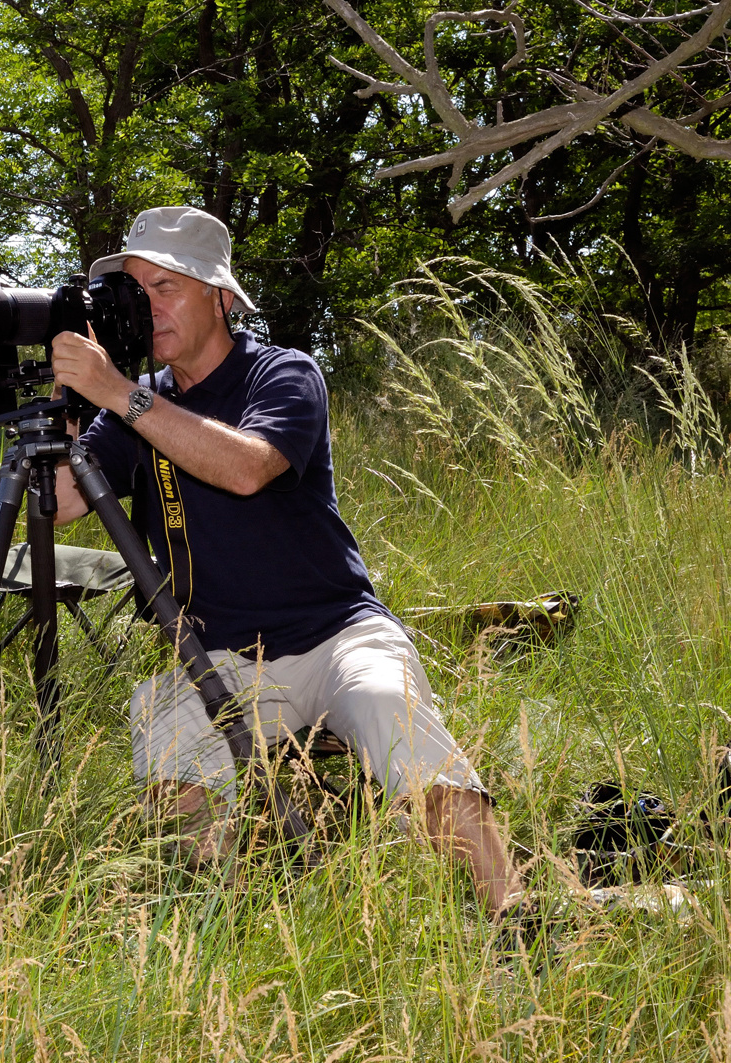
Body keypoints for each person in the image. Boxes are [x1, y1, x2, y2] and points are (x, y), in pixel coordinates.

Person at [49, 205, 523, 917]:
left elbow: (247, 467)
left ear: (222, 297)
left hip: (337, 633)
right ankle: (243, 920)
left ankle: (517, 913)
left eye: (168, 287)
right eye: (136, 291)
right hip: (222, 655)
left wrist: (118, 390)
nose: (150, 308)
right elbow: (55, 504)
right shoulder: (131, 413)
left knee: (388, 712)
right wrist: (54, 411)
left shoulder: (283, 374)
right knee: (167, 729)